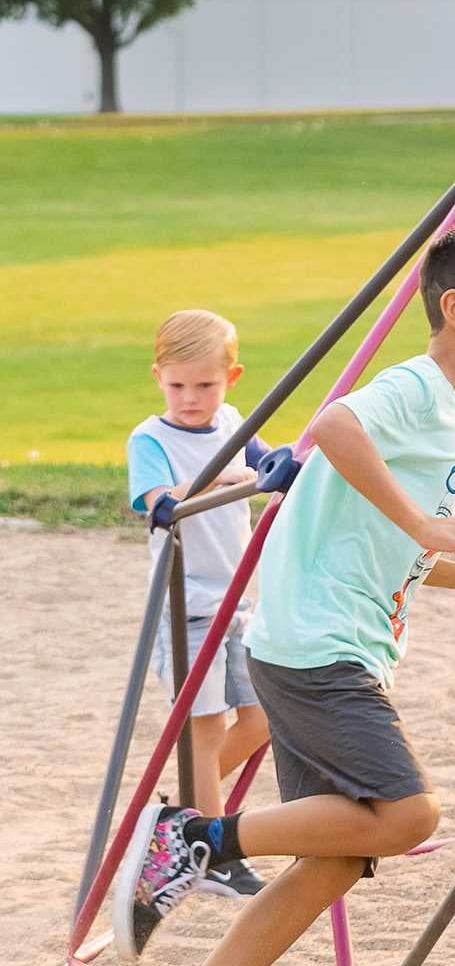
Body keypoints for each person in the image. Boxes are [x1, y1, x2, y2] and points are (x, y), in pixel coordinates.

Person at [110, 224, 455, 966]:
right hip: (321, 643)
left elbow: (381, 535)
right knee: (411, 814)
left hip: (323, 637)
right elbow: (334, 426)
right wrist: (422, 520)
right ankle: (195, 837)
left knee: (341, 855)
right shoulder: (418, 389)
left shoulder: (453, 414)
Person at [126, 309, 275, 893]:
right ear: (158, 376)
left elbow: (266, 464)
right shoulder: (151, 438)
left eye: (205, 385)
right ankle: (213, 853)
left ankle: (183, 814)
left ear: (231, 378)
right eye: (178, 385)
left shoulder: (233, 421)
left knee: (262, 717)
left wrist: (282, 464)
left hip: (236, 601)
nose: (191, 398)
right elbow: (158, 504)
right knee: (205, 731)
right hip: (183, 607)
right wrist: (224, 478)